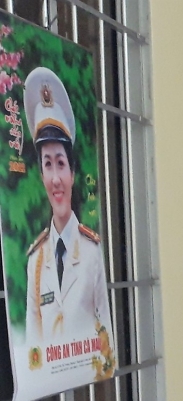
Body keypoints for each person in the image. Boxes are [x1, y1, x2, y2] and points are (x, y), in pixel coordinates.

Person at [23, 66, 110, 344]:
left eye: (60, 163)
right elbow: (33, 347)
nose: (56, 179)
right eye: (48, 164)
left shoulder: (93, 252)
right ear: (41, 175)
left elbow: (106, 338)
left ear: (72, 173)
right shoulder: (36, 261)